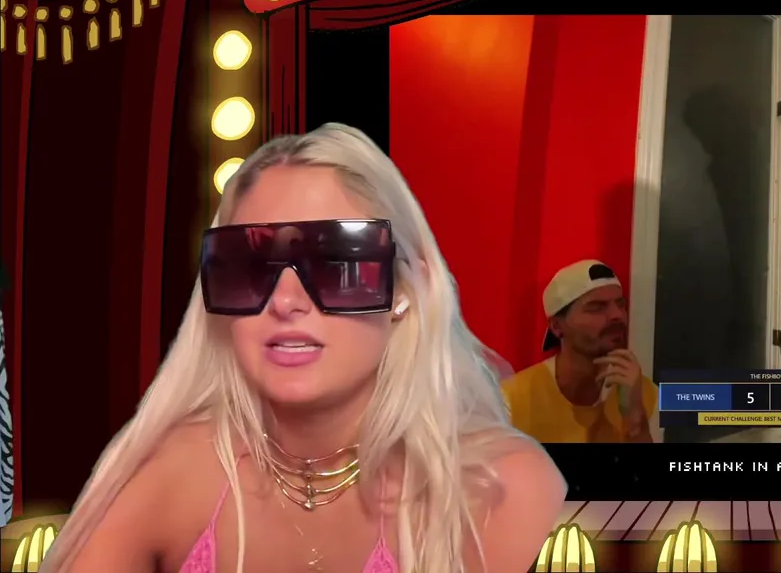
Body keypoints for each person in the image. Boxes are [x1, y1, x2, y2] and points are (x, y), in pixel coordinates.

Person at [43, 124, 565, 573]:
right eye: (250, 267)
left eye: (337, 264)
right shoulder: (177, 468)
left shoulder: (499, 486)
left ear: (407, 291)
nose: (286, 300)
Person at [502, 260, 661, 444]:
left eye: (620, 304)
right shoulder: (510, 400)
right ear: (556, 326)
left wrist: (635, 419)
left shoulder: (647, 396)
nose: (617, 315)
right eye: (597, 308)